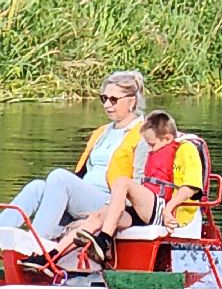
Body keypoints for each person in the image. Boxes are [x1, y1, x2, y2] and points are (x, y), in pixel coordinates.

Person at [0, 70, 148, 262]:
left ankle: (37, 246)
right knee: (37, 187)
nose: (107, 104)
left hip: (111, 203)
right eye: (104, 98)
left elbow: (141, 186)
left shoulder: (143, 134)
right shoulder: (103, 132)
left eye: (114, 99)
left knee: (59, 177)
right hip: (85, 196)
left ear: (132, 101)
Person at [64, 110, 203, 267]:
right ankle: (51, 257)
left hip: (170, 211)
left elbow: (191, 187)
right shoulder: (156, 152)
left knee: (122, 182)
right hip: (149, 208)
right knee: (99, 216)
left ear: (168, 138)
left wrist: (168, 209)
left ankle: (104, 240)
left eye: (152, 145)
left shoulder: (186, 149)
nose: (149, 150)